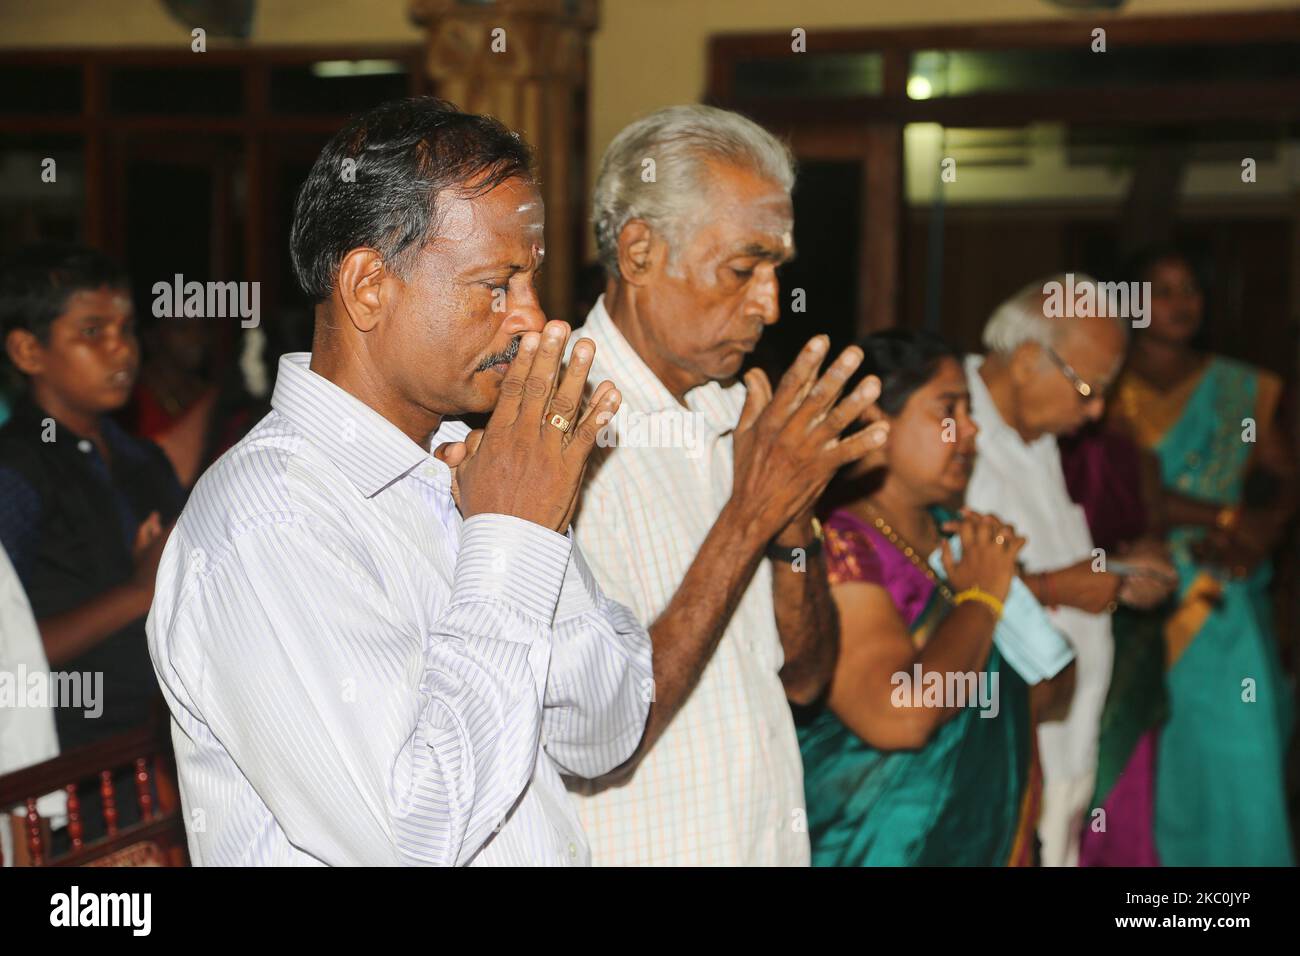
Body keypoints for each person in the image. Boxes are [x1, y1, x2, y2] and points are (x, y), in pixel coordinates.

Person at [146, 97, 653, 866]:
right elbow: (411, 838)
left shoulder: (475, 462)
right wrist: (513, 536)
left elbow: (603, 736)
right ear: (368, 287)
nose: (533, 318)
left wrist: (532, 520)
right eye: (496, 284)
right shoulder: (272, 521)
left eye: (532, 282)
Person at [565, 104, 888, 865]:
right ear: (639, 251)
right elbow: (608, 736)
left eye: (778, 271)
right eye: (743, 269)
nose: (769, 305)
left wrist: (790, 528)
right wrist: (750, 514)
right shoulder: (554, 427)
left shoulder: (737, 417)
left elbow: (807, 678)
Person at [799, 329, 1055, 866]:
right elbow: (903, 716)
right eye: (949, 410)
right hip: (878, 844)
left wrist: (1004, 595)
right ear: (874, 422)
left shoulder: (959, 538)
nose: (972, 429)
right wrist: (982, 599)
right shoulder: (836, 543)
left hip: (975, 835)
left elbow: (1049, 690)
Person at [963, 274, 1175, 866]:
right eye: (1088, 388)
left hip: (1065, 746)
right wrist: (1061, 587)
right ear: (1029, 361)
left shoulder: (1036, 437)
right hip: (1002, 755)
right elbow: (927, 594)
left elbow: (1049, 569)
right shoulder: (951, 429)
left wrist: (1117, 577)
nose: (1098, 409)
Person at [1106, 246, 1295, 865]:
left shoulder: (1240, 386)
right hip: (1129, 589)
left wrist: (1257, 536)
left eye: (1190, 289)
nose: (1181, 303)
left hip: (1220, 597)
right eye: (1162, 289)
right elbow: (1133, 491)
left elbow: (1283, 475)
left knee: (1239, 750)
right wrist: (1223, 516)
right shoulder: (1103, 384)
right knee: (1144, 760)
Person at [0, 243, 182, 753]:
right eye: (92, 332)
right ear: (28, 352)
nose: (121, 349)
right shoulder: (17, 471)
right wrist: (137, 592)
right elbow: (7, 656)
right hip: (68, 769)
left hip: (155, 748)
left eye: (125, 330)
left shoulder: (143, 460)